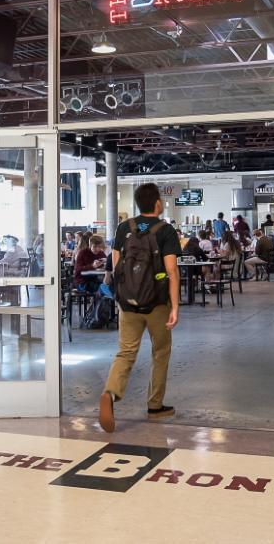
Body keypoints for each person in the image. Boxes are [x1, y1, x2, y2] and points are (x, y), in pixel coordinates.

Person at [99, 183, 180, 433]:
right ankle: (155, 405)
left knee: (125, 352)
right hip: (156, 303)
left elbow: (115, 266)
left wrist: (123, 295)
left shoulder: (124, 227)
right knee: (161, 351)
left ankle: (110, 394)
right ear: (157, 203)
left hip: (128, 302)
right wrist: (175, 306)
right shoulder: (165, 230)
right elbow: (172, 270)